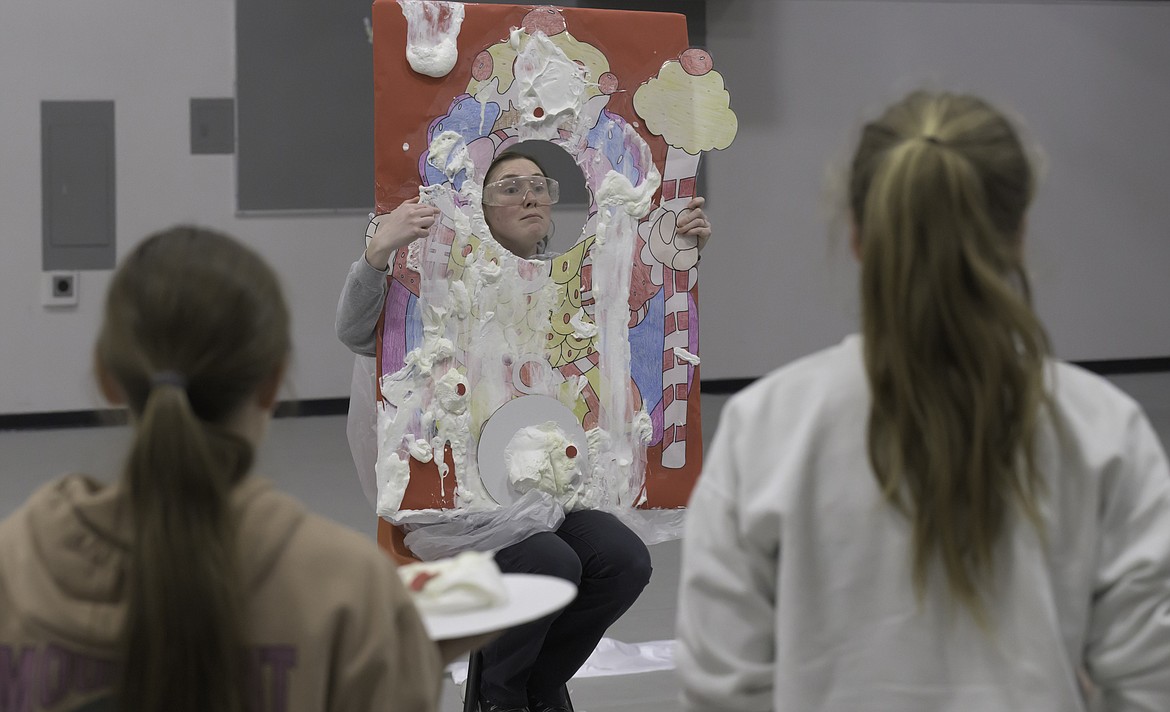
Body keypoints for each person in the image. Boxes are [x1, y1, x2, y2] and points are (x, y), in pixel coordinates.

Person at [676, 90, 1170, 711]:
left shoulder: (766, 429)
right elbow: (1149, 683)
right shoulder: (1103, 431)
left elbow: (721, 688)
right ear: (1017, 235)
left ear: (856, 235)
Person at [0, 226, 459, 712]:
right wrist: (409, 661)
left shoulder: (17, 564)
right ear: (273, 383)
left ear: (106, 379)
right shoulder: (346, 590)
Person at [336, 149, 712, 712]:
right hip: (457, 497)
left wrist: (675, 248)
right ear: (478, 207)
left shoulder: (571, 284)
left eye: (539, 184)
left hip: (547, 488)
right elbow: (357, 332)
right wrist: (377, 253)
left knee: (623, 561)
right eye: (510, 187)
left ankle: (528, 686)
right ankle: (501, 696)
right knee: (550, 561)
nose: (531, 195)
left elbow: (639, 311)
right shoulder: (433, 280)